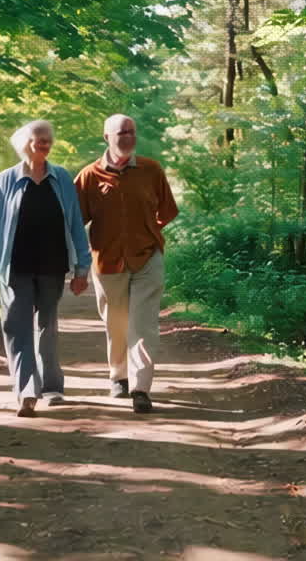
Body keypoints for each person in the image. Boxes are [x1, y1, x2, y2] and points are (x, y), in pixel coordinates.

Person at [0, 120, 92, 417]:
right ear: (24, 144)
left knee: (47, 326)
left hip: (52, 265)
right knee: (17, 327)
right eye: (38, 139)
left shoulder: (61, 178)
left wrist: (82, 268)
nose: (44, 144)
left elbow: (75, 224)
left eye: (48, 139)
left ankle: (52, 387)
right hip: (14, 266)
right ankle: (27, 391)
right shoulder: (5, 181)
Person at [74, 114, 178, 413]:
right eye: (122, 133)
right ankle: (118, 376)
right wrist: (78, 263)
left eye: (132, 132)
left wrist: (148, 230)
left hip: (147, 258)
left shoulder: (151, 169)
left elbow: (167, 211)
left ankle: (140, 388)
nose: (129, 137)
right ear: (107, 137)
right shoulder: (89, 176)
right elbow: (75, 221)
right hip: (107, 262)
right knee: (116, 324)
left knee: (143, 325)